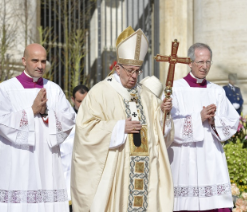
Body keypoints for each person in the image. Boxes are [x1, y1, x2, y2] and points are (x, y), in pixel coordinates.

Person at [71, 26, 174, 212]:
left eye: (138, 71)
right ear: (117, 68)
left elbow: (159, 131)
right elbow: (85, 129)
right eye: (130, 71)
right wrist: (118, 127)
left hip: (146, 169)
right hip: (118, 171)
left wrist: (164, 114)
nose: (134, 76)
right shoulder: (100, 92)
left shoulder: (147, 95)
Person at [0, 43, 75, 212]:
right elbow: (2, 121)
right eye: (35, 60)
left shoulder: (53, 89)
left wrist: (46, 114)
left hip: (46, 158)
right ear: (24, 61)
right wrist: (32, 111)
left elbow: (69, 118)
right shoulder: (6, 89)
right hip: (18, 158)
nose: (40, 66)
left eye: (43, 61)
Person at [167, 43, 240, 212]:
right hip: (186, 156)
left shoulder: (217, 91)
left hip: (210, 154)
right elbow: (167, 125)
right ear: (190, 62)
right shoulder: (175, 89)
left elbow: (232, 121)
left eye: (208, 62)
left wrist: (214, 121)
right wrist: (198, 118)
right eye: (200, 62)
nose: (204, 66)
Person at [60, 85, 89, 212]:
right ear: (72, 99)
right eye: (79, 101)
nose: (83, 105)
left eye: (86, 101)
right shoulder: (66, 118)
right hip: (67, 167)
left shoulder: (96, 118)